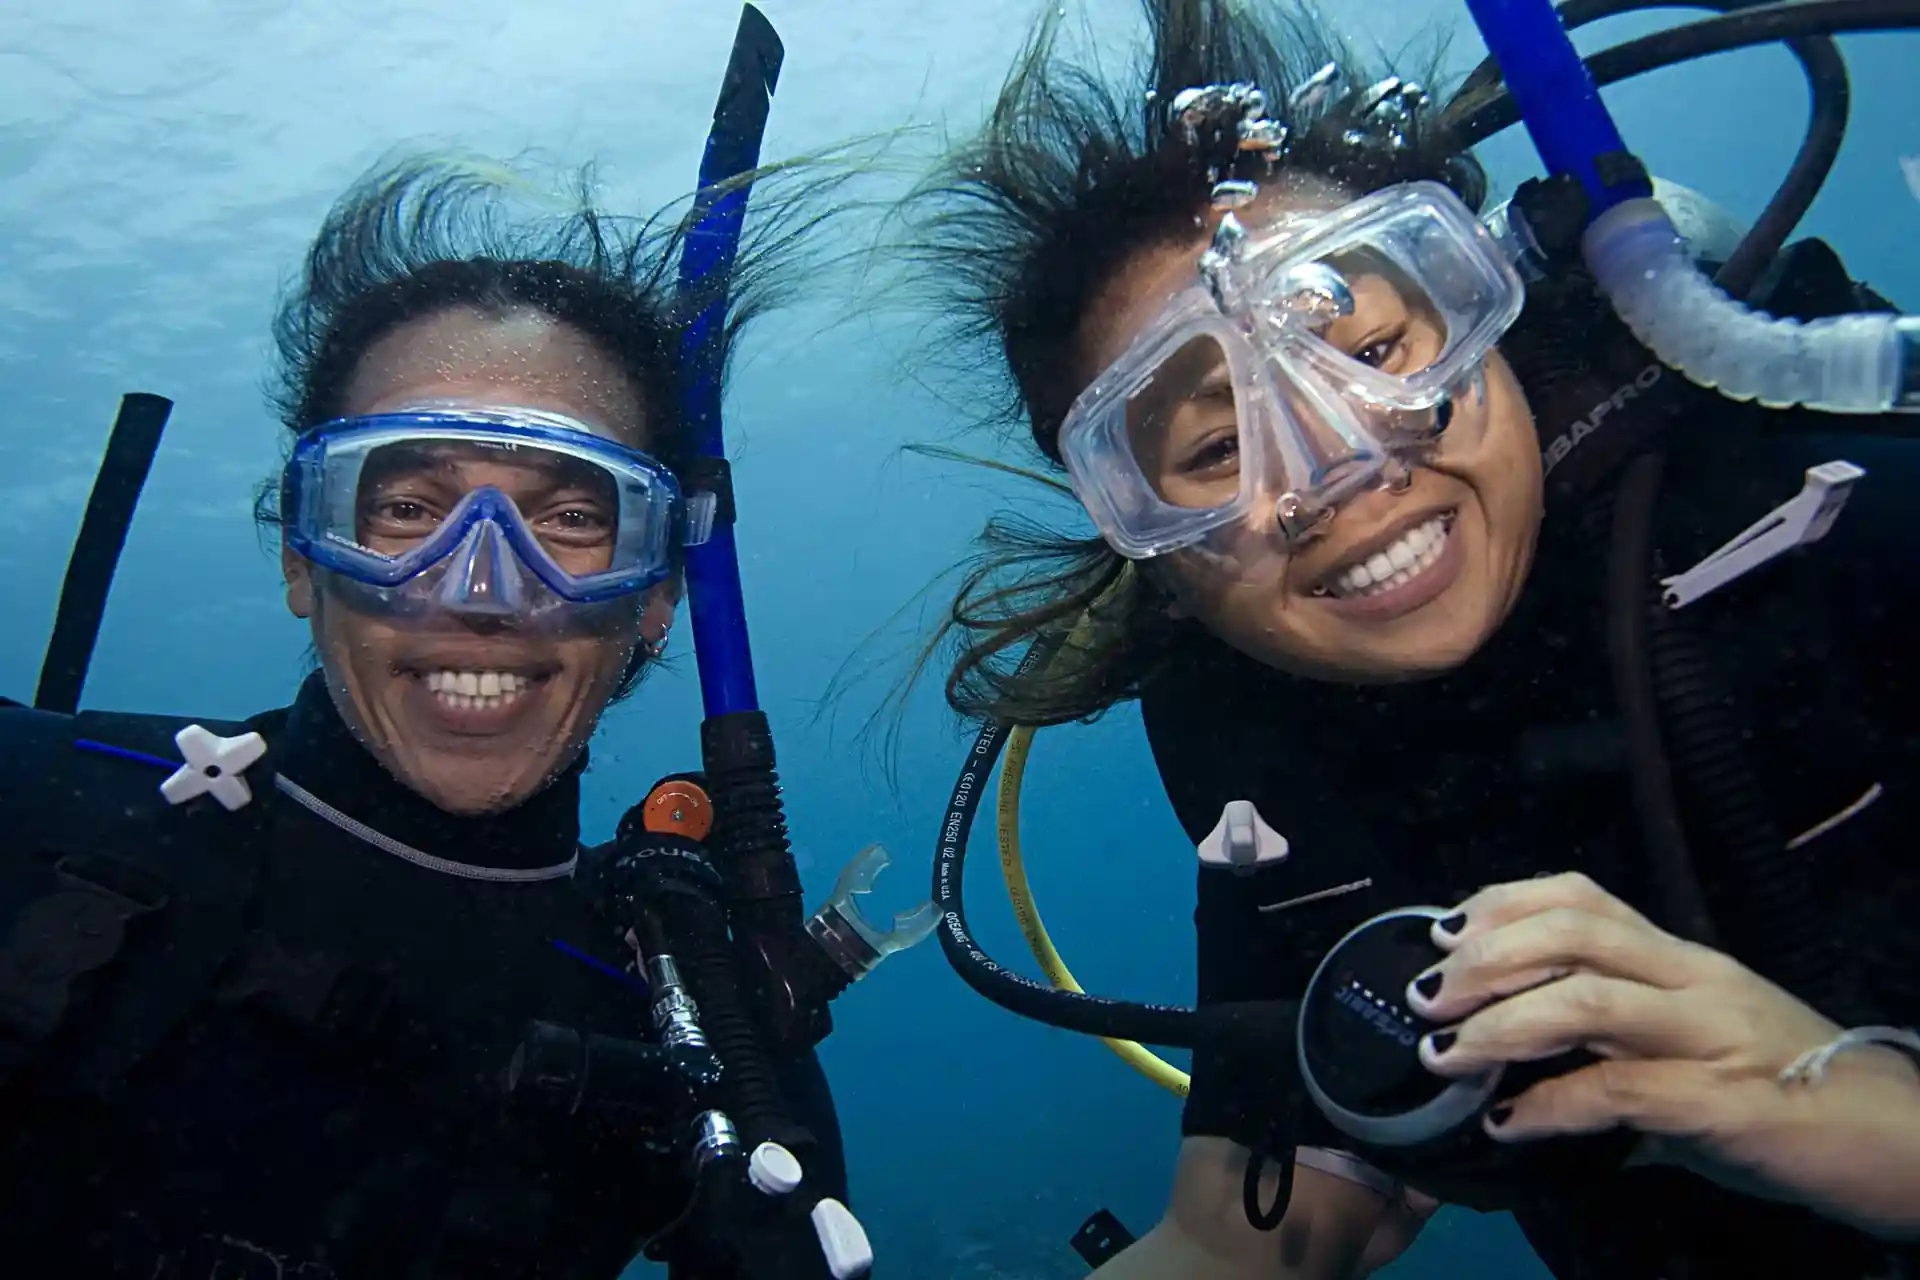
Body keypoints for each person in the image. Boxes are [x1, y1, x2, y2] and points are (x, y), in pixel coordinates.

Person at [898, 0, 1920, 1276]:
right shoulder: (1251, 731)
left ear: (1492, 303)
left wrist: (1848, 1111)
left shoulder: (1820, 513)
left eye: (1375, 348)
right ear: (1138, 535)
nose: (1334, 464)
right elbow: (1248, 1237)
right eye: (1216, 449)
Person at [0, 154, 856, 1279]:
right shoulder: (32, 808)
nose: (482, 587)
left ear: (656, 594)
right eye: (406, 508)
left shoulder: (700, 1030)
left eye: (571, 518)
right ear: (304, 556)